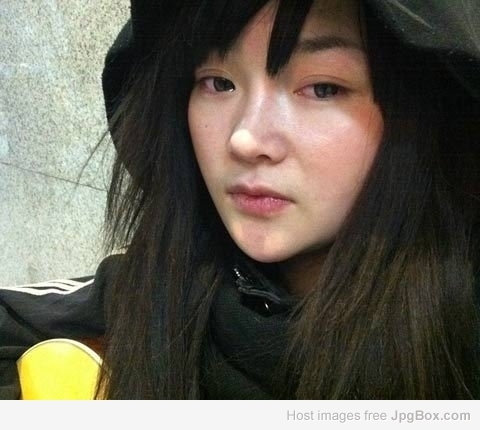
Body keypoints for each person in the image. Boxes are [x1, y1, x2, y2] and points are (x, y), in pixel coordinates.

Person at [1, 0, 479, 400]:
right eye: (218, 83)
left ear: (428, 111)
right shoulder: (149, 291)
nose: (246, 139)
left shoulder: (457, 327)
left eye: (322, 88)